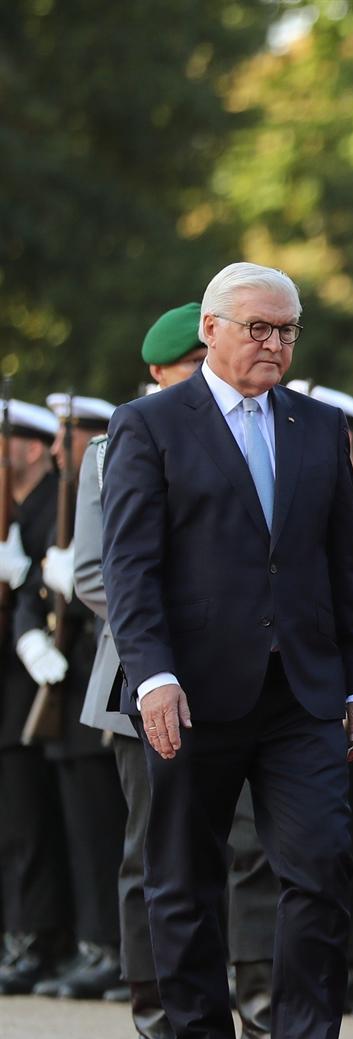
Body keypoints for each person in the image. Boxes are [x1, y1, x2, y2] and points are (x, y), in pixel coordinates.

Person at [102, 261, 353, 1039]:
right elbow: (131, 568)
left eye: (287, 329)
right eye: (258, 328)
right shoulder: (149, 425)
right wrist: (151, 674)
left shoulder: (317, 425)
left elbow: (344, 567)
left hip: (302, 691)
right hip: (191, 690)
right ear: (211, 331)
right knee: (184, 875)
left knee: (323, 864)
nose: (274, 344)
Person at [19, 395, 126, 1002]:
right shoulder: (51, 503)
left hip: (105, 670)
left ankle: (108, 945)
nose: (64, 450)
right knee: (83, 830)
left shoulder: (62, 501)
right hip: (66, 685)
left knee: (107, 828)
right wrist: (31, 630)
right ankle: (92, 944)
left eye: (72, 435)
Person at [0, 397, 71, 995]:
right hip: (16, 676)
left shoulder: (54, 505)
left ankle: (37, 935)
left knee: (32, 821)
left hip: (39, 688)